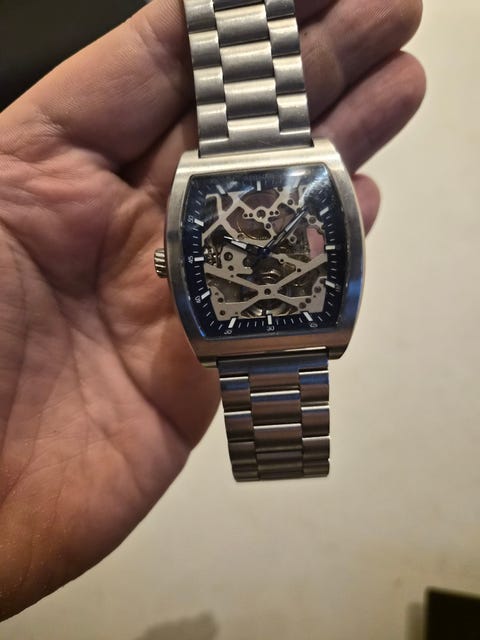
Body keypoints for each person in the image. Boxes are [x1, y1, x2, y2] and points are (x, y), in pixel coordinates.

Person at [0, 0, 425, 621]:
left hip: (282, 321)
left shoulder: (262, 201)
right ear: (171, 264)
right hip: (277, 320)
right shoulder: (220, 212)